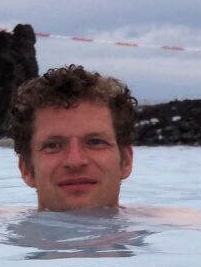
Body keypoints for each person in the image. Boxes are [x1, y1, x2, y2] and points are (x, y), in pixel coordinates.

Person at [9, 64, 136, 212]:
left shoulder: (159, 222)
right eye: (53, 145)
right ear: (26, 170)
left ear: (126, 162)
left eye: (95, 142)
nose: (75, 162)